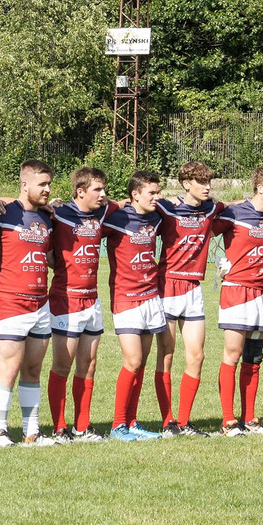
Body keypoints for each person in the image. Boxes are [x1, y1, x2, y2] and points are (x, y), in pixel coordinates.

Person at [0, 160, 58, 446]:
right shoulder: (3, 213)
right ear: (25, 184)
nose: (47, 189)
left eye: (49, 184)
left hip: (41, 303)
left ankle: (32, 431)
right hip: (10, 301)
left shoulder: (47, 219)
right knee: (9, 368)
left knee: (33, 370)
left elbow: (50, 258)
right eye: (42, 184)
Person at [213, 165, 263, 436]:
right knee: (232, 355)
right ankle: (228, 420)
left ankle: (250, 419)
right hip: (237, 291)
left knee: (254, 357)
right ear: (260, 187)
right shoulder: (235, 213)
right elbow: (206, 229)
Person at [154, 162, 225, 437]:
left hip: (194, 288)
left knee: (197, 356)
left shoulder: (210, 208)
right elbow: (133, 205)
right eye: (201, 182)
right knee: (167, 355)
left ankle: (184, 421)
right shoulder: (166, 208)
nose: (207, 187)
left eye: (209, 182)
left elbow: (237, 205)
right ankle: (167, 421)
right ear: (186, 184)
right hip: (168, 285)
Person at [46, 167, 115, 443]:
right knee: (63, 365)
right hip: (66, 298)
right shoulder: (58, 214)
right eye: (97, 189)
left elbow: (128, 203)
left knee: (88, 364)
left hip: (92, 299)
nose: (103, 194)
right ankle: (59, 427)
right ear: (80, 191)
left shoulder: (103, 213)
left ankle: (82, 427)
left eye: (104, 189)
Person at [102, 171, 166, 441]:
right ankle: (118, 425)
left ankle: (132, 422)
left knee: (141, 364)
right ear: (135, 195)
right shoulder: (116, 218)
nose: (156, 197)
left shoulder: (156, 216)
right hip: (125, 298)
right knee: (133, 360)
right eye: (151, 193)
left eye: (158, 192)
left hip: (151, 297)